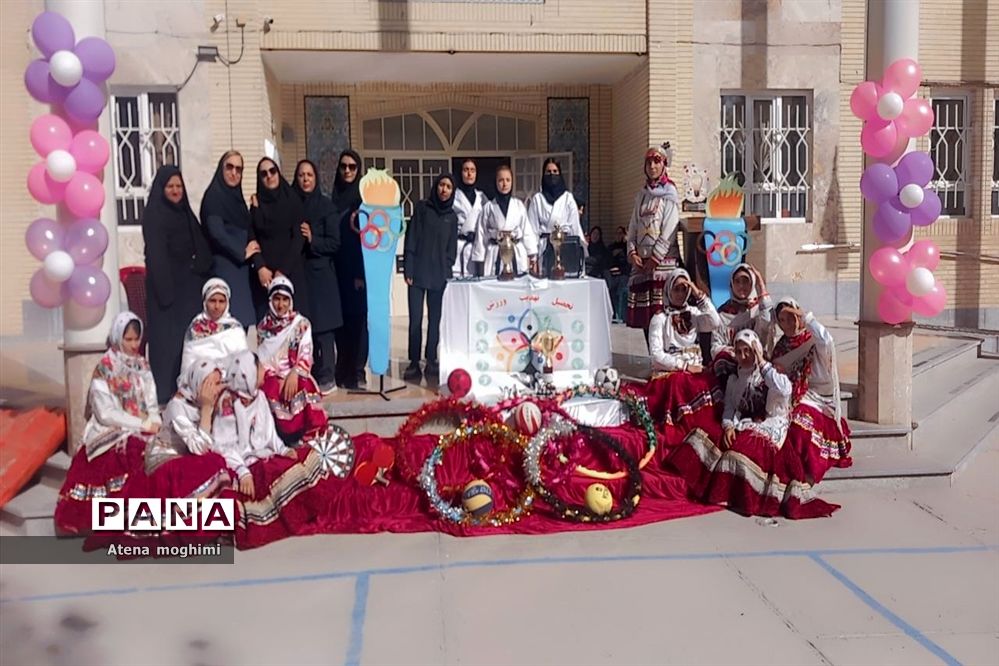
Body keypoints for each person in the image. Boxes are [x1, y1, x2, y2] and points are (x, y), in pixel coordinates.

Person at [669, 330, 840, 518]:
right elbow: (730, 407)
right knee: (704, 436)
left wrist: (762, 362)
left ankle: (743, 498)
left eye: (748, 351)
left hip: (770, 425)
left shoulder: (772, 373)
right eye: (739, 351)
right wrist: (728, 427)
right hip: (744, 423)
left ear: (756, 350)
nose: (743, 356)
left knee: (741, 452)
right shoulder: (735, 379)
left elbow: (784, 390)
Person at [55, 312, 161, 534]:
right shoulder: (105, 367)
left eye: (136, 339)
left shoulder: (142, 364)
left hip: (143, 425)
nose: (133, 345)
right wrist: (141, 425)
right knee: (132, 452)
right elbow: (105, 413)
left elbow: (151, 402)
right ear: (117, 337)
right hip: (111, 428)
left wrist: (155, 420)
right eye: (128, 339)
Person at [143, 165, 212, 400]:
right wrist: (167, 295)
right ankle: (165, 395)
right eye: (170, 186)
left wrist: (200, 265)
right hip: (166, 293)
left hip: (188, 290)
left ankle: (185, 391)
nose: (175, 191)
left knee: (185, 344)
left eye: (178, 186)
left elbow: (200, 243)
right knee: (167, 347)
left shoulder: (185, 212)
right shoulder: (154, 215)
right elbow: (156, 255)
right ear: (162, 189)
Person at [771, 297, 853, 485]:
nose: (788, 324)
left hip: (819, 401)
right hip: (792, 398)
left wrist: (807, 318)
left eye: (792, 318)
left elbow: (827, 340)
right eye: (782, 320)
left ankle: (807, 473)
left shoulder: (813, 342)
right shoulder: (780, 348)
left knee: (800, 426)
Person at [643, 268, 721, 439]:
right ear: (668, 289)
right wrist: (684, 366)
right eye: (676, 289)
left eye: (684, 289)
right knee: (680, 382)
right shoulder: (660, 318)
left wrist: (698, 294)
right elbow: (656, 355)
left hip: (696, 369)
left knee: (711, 381)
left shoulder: (694, 314)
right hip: (672, 372)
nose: (680, 294)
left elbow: (715, 322)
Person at [142, 359, 235, 500]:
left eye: (218, 383)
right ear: (198, 384)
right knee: (213, 464)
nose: (217, 389)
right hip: (165, 459)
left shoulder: (206, 403)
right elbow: (200, 448)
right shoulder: (177, 407)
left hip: (187, 456)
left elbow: (218, 441)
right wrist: (206, 410)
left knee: (223, 466)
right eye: (212, 385)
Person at [211, 350, 298, 497]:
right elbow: (223, 446)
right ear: (248, 374)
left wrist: (283, 450)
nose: (263, 370)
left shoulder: (260, 396)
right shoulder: (227, 403)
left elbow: (270, 433)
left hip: (264, 456)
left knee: (297, 470)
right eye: (259, 368)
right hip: (242, 464)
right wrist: (243, 472)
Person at [256, 277, 328, 443]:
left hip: (295, 373)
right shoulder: (262, 327)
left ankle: (306, 436)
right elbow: (263, 360)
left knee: (303, 384)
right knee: (268, 387)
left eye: (285, 300)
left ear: (291, 301)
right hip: (272, 375)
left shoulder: (301, 324)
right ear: (270, 300)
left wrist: (294, 373)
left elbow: (306, 354)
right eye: (277, 299)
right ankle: (276, 438)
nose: (280, 305)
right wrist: (277, 377)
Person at [293, 159, 343, 395]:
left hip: (321, 276)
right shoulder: (290, 204)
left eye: (309, 175)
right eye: (301, 175)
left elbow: (335, 242)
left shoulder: (326, 206)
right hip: (299, 276)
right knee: (303, 329)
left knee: (324, 329)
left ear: (316, 178)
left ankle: (327, 375)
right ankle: (306, 372)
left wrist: (313, 239)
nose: (305, 180)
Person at [403, 173, 458, 383]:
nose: (444, 190)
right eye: (442, 185)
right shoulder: (422, 208)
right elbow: (411, 238)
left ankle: (431, 359)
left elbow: (452, 248)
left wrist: (447, 268)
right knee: (415, 320)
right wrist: (408, 268)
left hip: (439, 276)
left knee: (435, 320)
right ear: (436, 187)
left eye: (448, 187)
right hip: (417, 274)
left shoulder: (452, 217)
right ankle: (413, 361)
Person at [626, 143, 682, 340]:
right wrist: (632, 252)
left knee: (663, 316)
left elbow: (670, 228)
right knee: (646, 317)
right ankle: (653, 357)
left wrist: (655, 258)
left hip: (662, 265)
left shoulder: (670, 194)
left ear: (664, 165)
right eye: (648, 162)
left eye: (656, 162)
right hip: (642, 266)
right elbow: (633, 226)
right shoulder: (641, 196)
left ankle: (666, 356)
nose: (652, 166)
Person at [248, 158, 311, 322]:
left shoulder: (292, 200)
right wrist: (260, 266)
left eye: (272, 171)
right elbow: (252, 236)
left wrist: (282, 271)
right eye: (264, 174)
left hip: (291, 273)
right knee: (268, 333)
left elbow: (298, 238)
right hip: (265, 281)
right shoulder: (257, 204)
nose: (269, 176)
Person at [200, 150, 256, 329]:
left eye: (239, 169)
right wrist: (241, 252)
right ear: (221, 169)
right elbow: (217, 233)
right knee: (226, 326)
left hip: (241, 272)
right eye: (229, 167)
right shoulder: (214, 197)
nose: (234, 173)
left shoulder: (237, 199)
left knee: (241, 330)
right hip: (225, 268)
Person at [331, 149, 368, 389]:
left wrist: (361, 274)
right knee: (340, 324)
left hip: (357, 272)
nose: (347, 171)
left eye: (352, 167)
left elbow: (369, 241)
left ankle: (357, 370)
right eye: (343, 166)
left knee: (358, 323)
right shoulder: (333, 200)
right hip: (336, 272)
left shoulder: (363, 202)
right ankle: (342, 369)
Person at [710, 263, 774, 388]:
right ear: (731, 284)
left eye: (746, 281)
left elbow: (767, 324)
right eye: (737, 282)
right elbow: (715, 346)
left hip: (757, 361)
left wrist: (761, 286)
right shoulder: (723, 312)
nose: (741, 286)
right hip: (733, 363)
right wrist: (737, 354)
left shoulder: (758, 309)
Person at [472, 164, 538, 277]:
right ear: (496, 182)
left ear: (512, 182)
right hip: (495, 253)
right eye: (501, 180)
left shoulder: (518, 205)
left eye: (508, 180)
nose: (504, 184)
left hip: (516, 252)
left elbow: (526, 230)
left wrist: (532, 255)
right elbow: (481, 234)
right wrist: (479, 259)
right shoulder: (488, 207)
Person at [179, 278, 249, 380]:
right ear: (205, 301)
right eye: (212, 301)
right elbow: (187, 367)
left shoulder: (235, 329)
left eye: (221, 301)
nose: (217, 306)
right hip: (200, 384)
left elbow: (244, 364)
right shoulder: (195, 328)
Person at [527, 158, 586, 276]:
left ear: (560, 174)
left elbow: (575, 227)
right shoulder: (537, 199)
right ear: (543, 175)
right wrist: (532, 256)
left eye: (555, 172)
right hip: (544, 249)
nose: (552, 175)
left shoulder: (568, 198)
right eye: (548, 172)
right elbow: (531, 230)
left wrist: (581, 251)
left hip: (566, 248)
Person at [453, 158, 487, 278]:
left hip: (477, 247)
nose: (469, 173)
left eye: (472, 170)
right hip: (459, 246)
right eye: (466, 170)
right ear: (460, 172)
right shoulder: (454, 196)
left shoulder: (482, 197)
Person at [607, 225, 630, 323]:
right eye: (617, 233)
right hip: (612, 275)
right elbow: (607, 261)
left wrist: (620, 269)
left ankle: (620, 315)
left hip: (623, 274)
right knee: (611, 288)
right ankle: (613, 313)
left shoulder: (627, 248)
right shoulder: (611, 247)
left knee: (621, 290)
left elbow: (627, 263)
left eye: (621, 233)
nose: (619, 235)